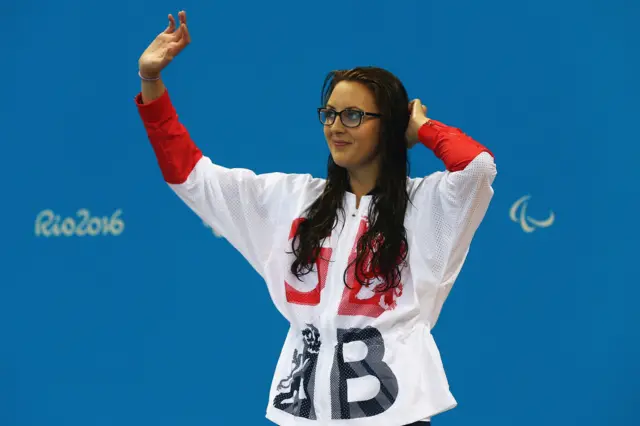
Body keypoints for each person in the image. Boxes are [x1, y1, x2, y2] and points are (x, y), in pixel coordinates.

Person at [135, 10, 496, 426]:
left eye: (354, 116)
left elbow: (477, 168)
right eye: (329, 114)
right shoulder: (291, 200)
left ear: (390, 125)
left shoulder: (428, 204)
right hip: (304, 415)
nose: (336, 127)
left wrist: (422, 126)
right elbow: (190, 176)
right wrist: (151, 83)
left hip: (397, 416)